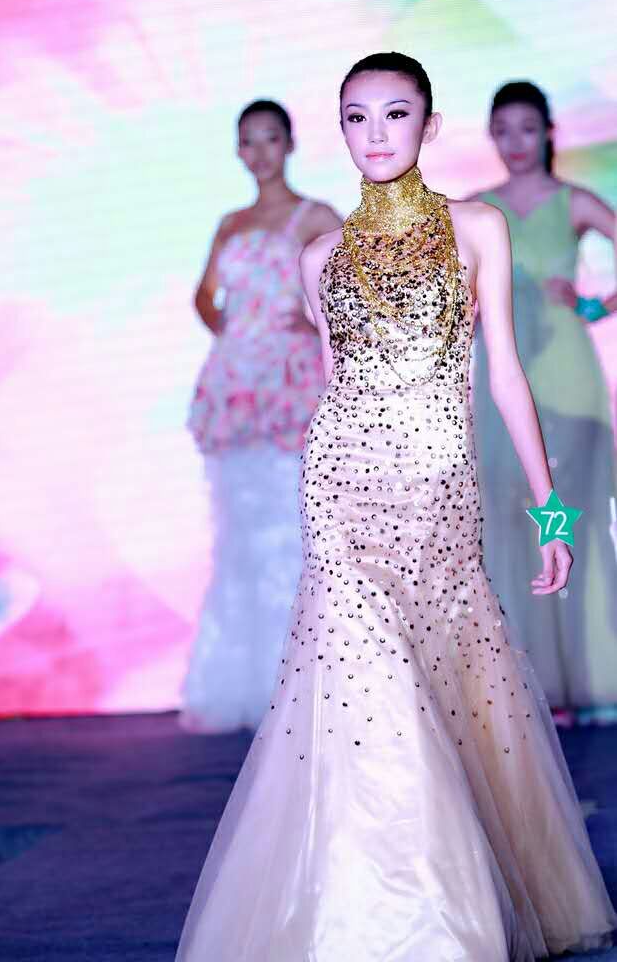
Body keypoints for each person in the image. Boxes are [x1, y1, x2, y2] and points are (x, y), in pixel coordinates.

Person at [176, 54, 616, 960]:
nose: (374, 134)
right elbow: (335, 386)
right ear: (338, 128)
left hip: (438, 492)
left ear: (429, 124)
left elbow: (503, 374)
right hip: (341, 486)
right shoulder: (319, 258)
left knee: (447, 684)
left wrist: (551, 514)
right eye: (355, 116)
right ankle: (395, 916)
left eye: (394, 113)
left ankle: (445, 904)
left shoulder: (477, 228)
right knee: (361, 689)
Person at [183, 99, 342, 733]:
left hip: (291, 385)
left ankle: (307, 683)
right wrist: (234, 331)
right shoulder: (231, 222)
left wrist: (307, 323)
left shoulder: (316, 216)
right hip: (236, 386)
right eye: (247, 141)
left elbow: (358, 286)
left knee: (295, 528)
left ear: (290, 143)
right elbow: (204, 296)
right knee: (240, 534)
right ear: (237, 150)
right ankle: (244, 682)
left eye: (270, 138)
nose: (259, 152)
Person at [470, 81, 617, 714]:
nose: (516, 142)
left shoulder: (573, 201)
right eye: (503, 130)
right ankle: (533, 683)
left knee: (569, 519)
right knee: (512, 520)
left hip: (566, 377)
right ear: (490, 136)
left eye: (527, 128)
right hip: (505, 378)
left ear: (549, 132)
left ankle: (587, 672)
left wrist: (596, 305)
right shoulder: (476, 211)